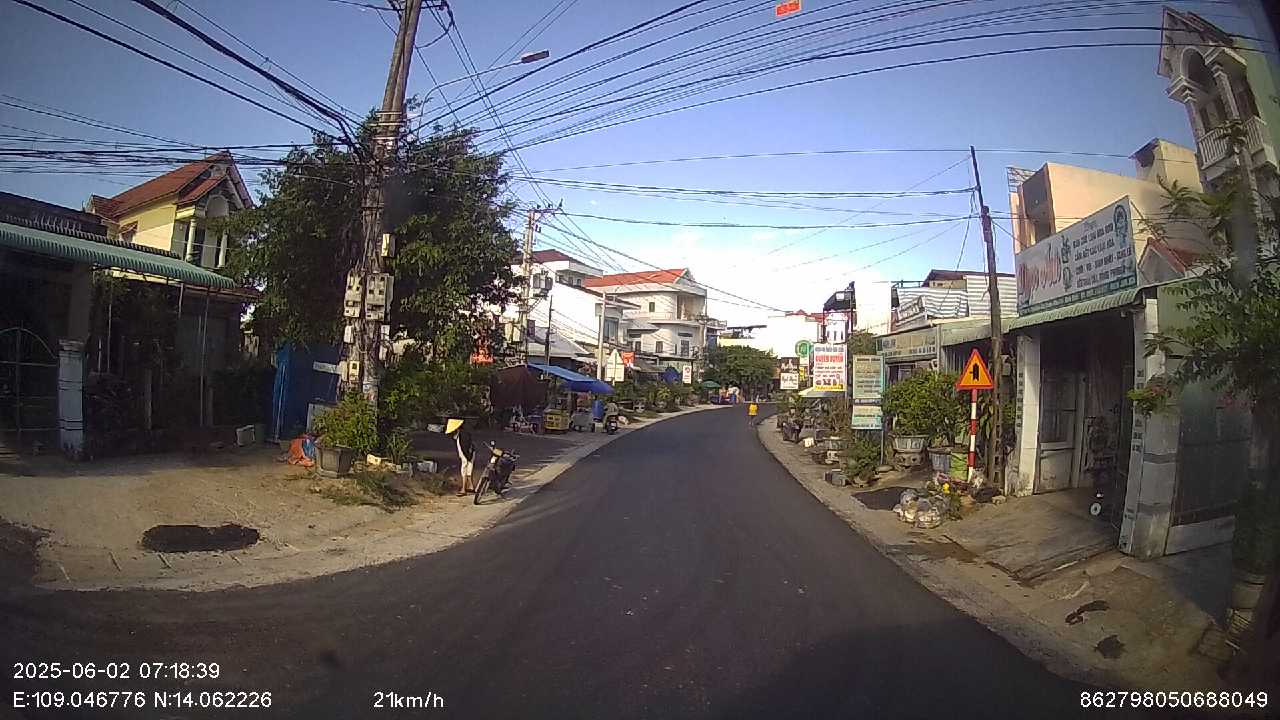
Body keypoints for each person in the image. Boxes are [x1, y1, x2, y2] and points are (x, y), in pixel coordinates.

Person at [446, 418, 475, 496]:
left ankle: (463, 489)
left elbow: (465, 448)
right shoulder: (463, 433)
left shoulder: (463, 436)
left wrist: (467, 457)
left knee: (464, 471)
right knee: (469, 470)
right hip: (469, 454)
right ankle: (471, 486)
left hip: (466, 455)